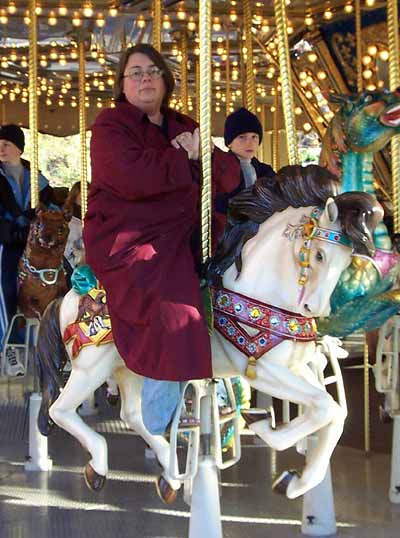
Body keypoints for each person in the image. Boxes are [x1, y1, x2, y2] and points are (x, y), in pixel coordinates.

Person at [83, 44, 212, 433]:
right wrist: (183, 159)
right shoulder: (109, 126)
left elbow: (217, 170)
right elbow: (130, 175)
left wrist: (202, 153)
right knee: (171, 304)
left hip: (184, 229)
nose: (145, 78)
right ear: (122, 84)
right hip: (132, 238)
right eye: (135, 72)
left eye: (153, 71)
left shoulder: (182, 124)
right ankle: (164, 420)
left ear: (166, 81)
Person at [0, 124, 53, 375]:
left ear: (19, 148)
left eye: (6, 144)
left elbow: (51, 206)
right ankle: (7, 347)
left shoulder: (36, 179)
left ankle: (52, 342)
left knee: (58, 279)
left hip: (33, 245)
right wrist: (10, 229)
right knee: (5, 289)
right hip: (6, 244)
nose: (1, 149)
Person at [212, 107, 275, 251]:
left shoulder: (265, 171)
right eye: (242, 137)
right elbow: (215, 202)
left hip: (259, 232)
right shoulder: (219, 167)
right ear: (229, 142)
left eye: (254, 137)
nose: (250, 142)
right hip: (226, 233)